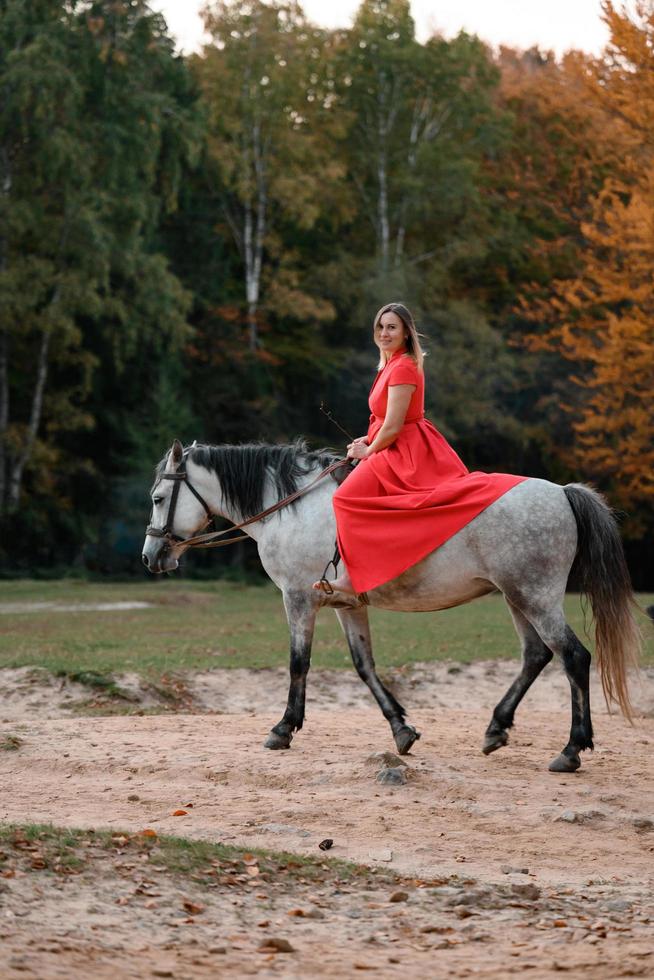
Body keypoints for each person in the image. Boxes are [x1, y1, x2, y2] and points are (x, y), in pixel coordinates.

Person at [312, 302, 527, 596]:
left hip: (404, 448)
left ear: (405, 333)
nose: (384, 333)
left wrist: (370, 450)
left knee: (345, 499)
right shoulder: (389, 364)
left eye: (392, 327)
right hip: (392, 442)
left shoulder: (403, 367)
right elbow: (384, 420)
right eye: (380, 327)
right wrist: (365, 439)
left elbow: (394, 426)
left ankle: (355, 576)